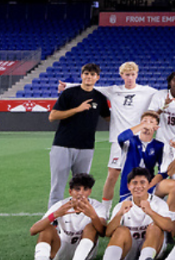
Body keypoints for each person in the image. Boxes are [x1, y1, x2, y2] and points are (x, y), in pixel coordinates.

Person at [59, 61, 157, 213]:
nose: (130, 78)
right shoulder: (114, 90)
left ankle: (143, 209)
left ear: (137, 75)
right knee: (112, 176)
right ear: (121, 75)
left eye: (132, 74)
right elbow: (92, 87)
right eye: (127, 75)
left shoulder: (147, 91)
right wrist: (67, 86)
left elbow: (165, 94)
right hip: (118, 142)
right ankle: (105, 211)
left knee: (142, 176)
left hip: (139, 141)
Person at [87, 167, 175, 260]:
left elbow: (169, 227)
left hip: (153, 250)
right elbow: (108, 233)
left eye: (142, 182)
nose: (138, 186)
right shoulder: (122, 205)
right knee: (121, 230)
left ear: (149, 185)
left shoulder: (158, 203)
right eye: (134, 183)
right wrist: (119, 214)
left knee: (155, 227)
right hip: (128, 252)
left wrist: (150, 212)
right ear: (129, 186)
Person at [23, 173, 108, 260]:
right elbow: (33, 230)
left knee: (91, 227)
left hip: (86, 255)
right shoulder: (61, 205)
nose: (81, 193)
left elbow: (103, 232)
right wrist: (55, 214)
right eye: (77, 189)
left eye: (85, 189)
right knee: (47, 228)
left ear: (90, 191)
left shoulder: (97, 207)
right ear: (70, 192)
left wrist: (93, 216)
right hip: (61, 253)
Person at [47, 63, 110, 208]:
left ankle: (79, 216)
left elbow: (108, 117)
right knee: (57, 186)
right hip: (63, 145)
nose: (89, 77)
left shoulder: (99, 97)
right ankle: (53, 218)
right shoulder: (69, 93)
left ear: (97, 78)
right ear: (81, 75)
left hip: (86, 147)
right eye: (86, 73)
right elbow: (53, 116)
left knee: (82, 188)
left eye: (92, 74)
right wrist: (77, 109)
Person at [116, 111, 165, 202]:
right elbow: (121, 138)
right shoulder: (130, 141)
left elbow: (163, 170)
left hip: (148, 187)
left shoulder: (159, 146)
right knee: (126, 209)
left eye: (151, 122)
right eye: (144, 121)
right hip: (127, 188)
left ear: (156, 127)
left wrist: (150, 185)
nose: (147, 124)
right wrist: (142, 126)